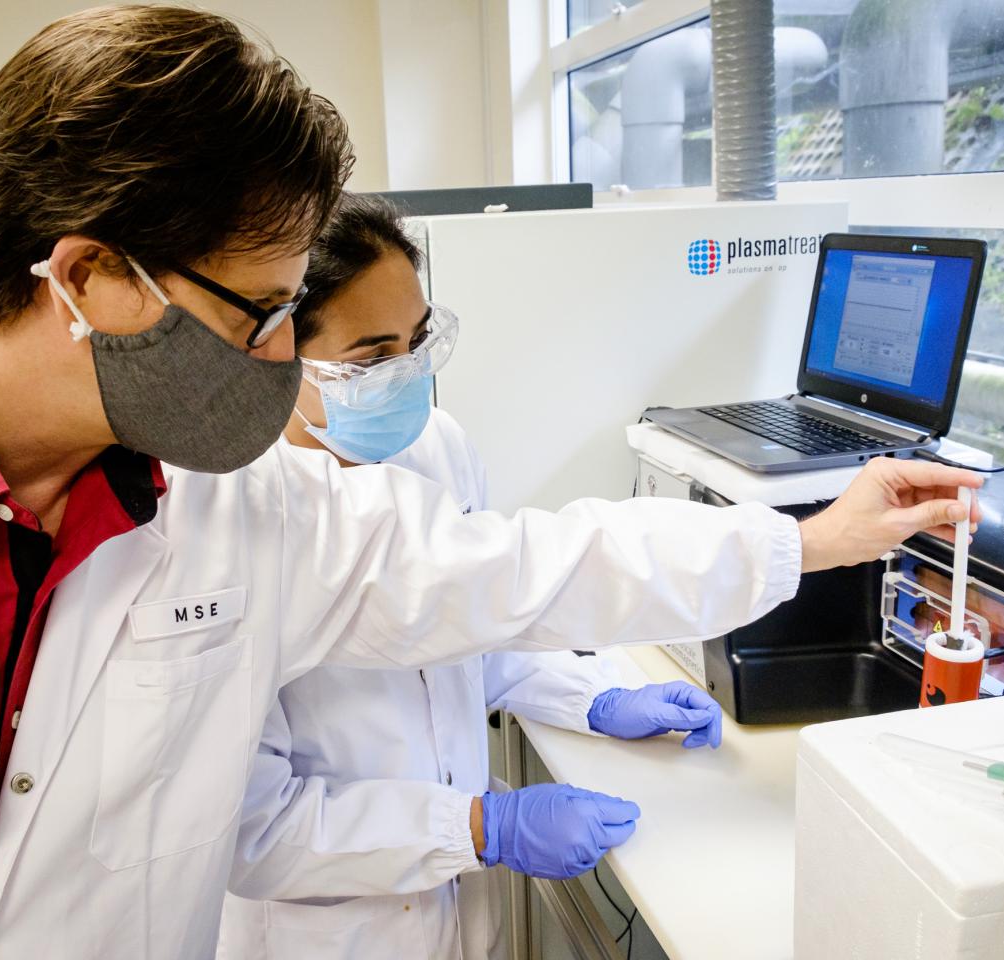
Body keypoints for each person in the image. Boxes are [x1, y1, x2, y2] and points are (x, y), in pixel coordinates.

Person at [0, 6, 981, 959]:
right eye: (264, 314)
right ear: (93, 280)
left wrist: (809, 544)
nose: (286, 362)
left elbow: (503, 567)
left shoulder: (227, 502)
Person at [218, 194, 725, 959]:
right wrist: (485, 828)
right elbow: (254, 830)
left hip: (459, 911)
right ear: (282, 349)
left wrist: (595, 696)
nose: (409, 378)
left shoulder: (436, 447)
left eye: (418, 343)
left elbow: (474, 623)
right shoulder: (232, 518)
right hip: (326, 930)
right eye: (373, 358)